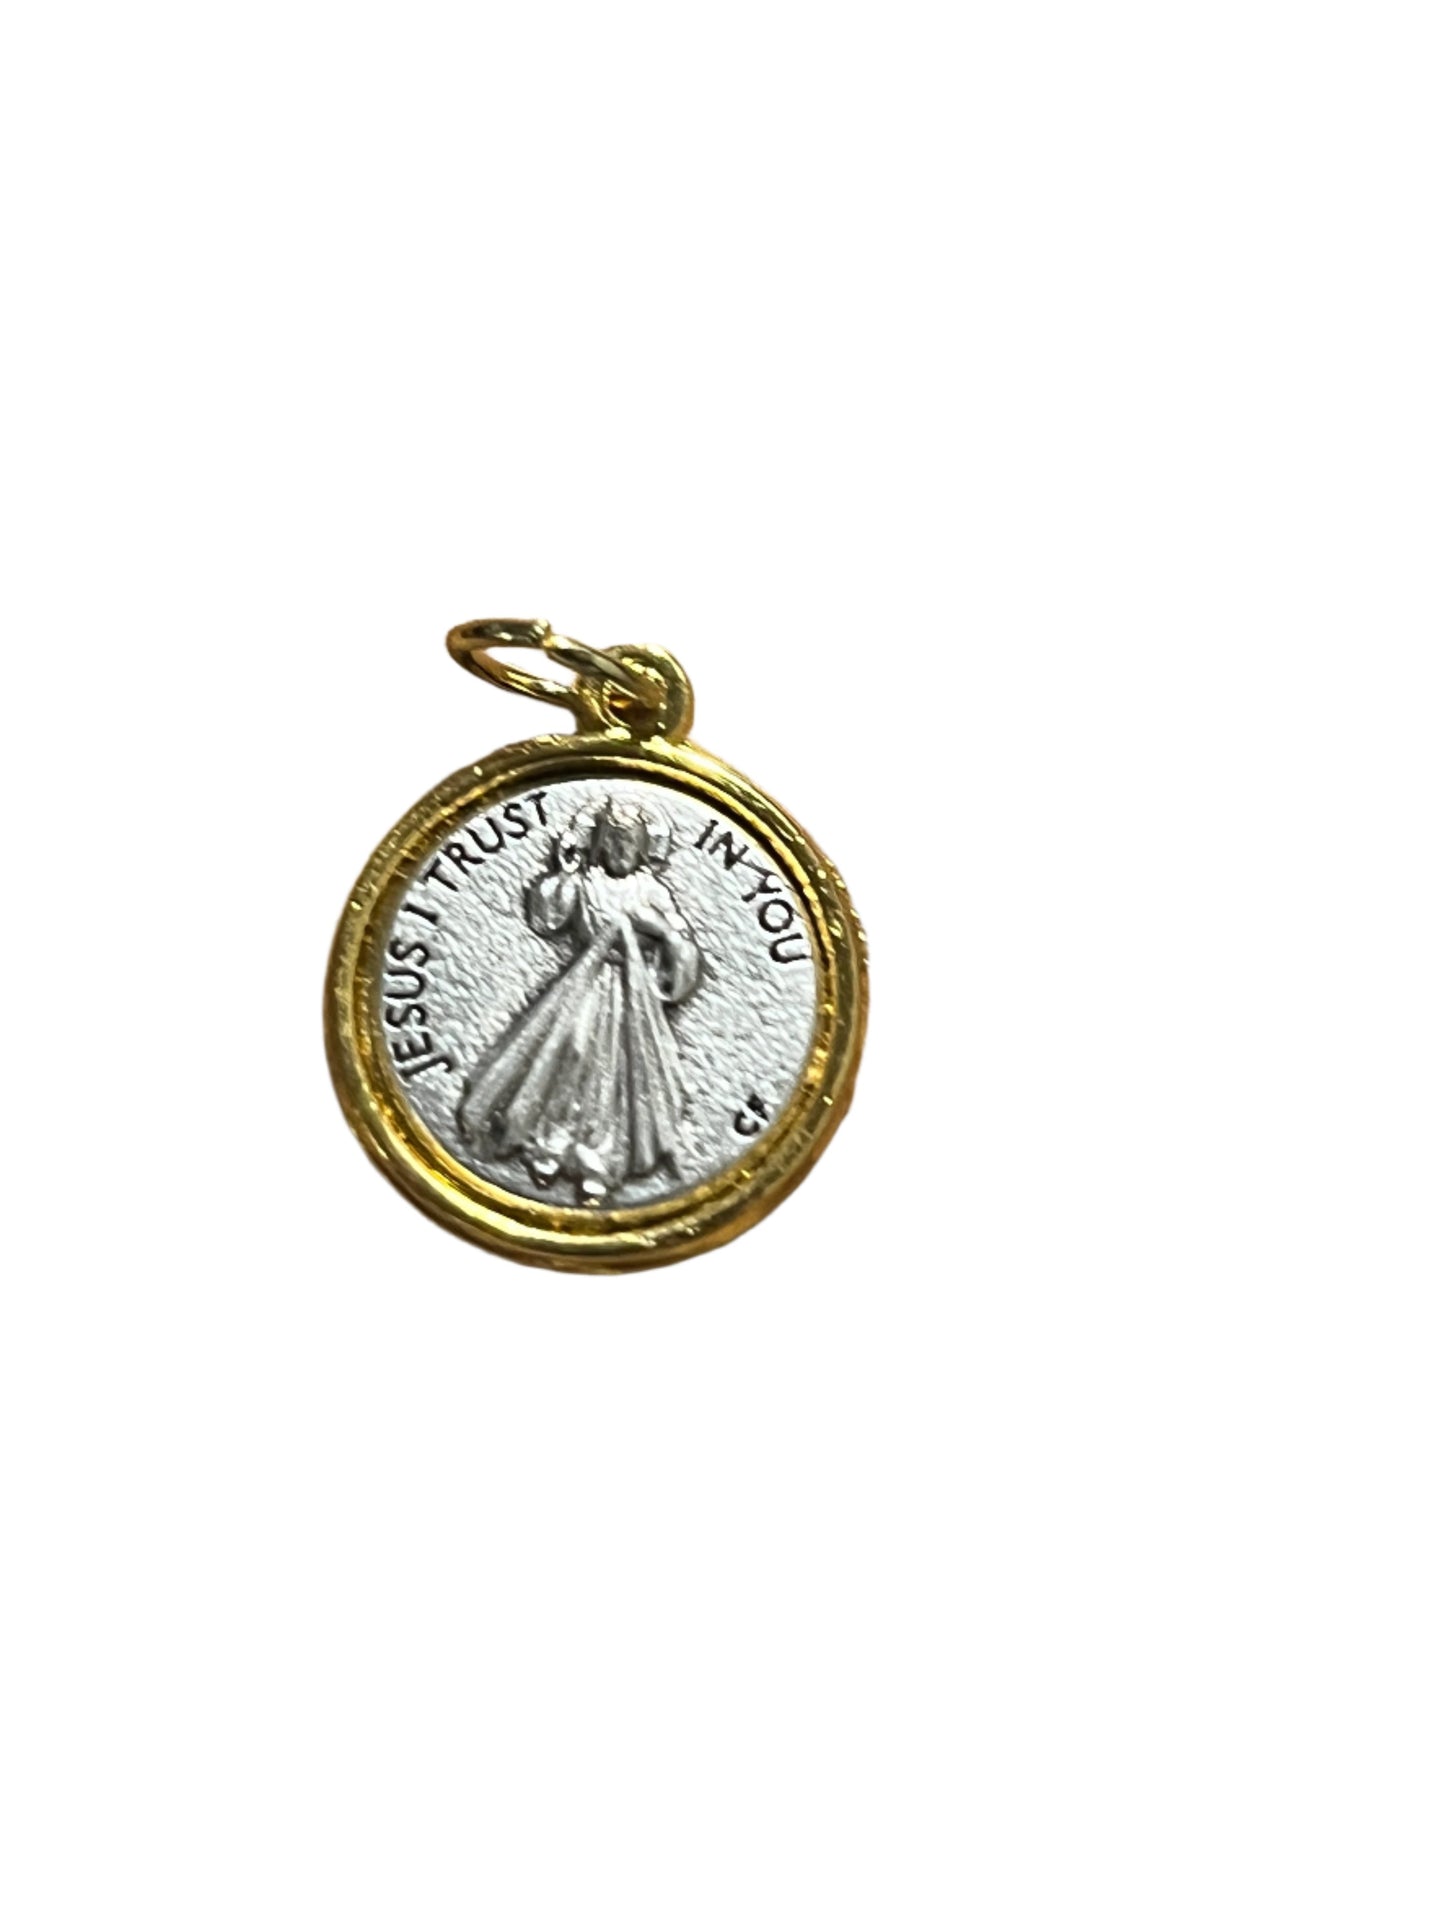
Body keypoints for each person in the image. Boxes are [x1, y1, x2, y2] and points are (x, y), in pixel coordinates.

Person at [456, 799, 701, 1203]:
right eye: (614, 841)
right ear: (600, 842)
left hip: (632, 993)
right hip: (586, 983)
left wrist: (664, 933)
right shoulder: (586, 883)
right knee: (570, 1054)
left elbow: (683, 947)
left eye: (629, 843)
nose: (620, 851)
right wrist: (565, 872)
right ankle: (549, 1145)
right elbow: (546, 920)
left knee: (618, 1076)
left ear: (642, 847)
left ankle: (599, 1164)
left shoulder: (652, 890)